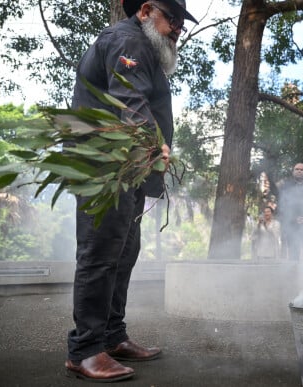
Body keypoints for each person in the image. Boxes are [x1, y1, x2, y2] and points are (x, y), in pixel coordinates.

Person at [65, 0, 198, 382]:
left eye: (180, 22)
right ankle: (85, 350)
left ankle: (111, 335)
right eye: (172, 19)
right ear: (145, 11)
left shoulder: (142, 46)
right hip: (103, 167)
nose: (178, 28)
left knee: (124, 250)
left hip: (127, 168)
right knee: (101, 252)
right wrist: (156, 145)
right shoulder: (127, 40)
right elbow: (130, 101)